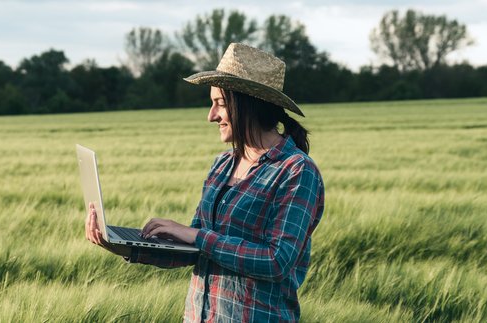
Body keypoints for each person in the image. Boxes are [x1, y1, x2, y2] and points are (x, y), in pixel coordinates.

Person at [85, 43, 324, 322]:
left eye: (220, 104)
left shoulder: (296, 171)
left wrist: (195, 235)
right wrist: (123, 246)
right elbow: (196, 252)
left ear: (248, 105)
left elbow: (276, 261)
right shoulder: (222, 165)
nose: (211, 116)